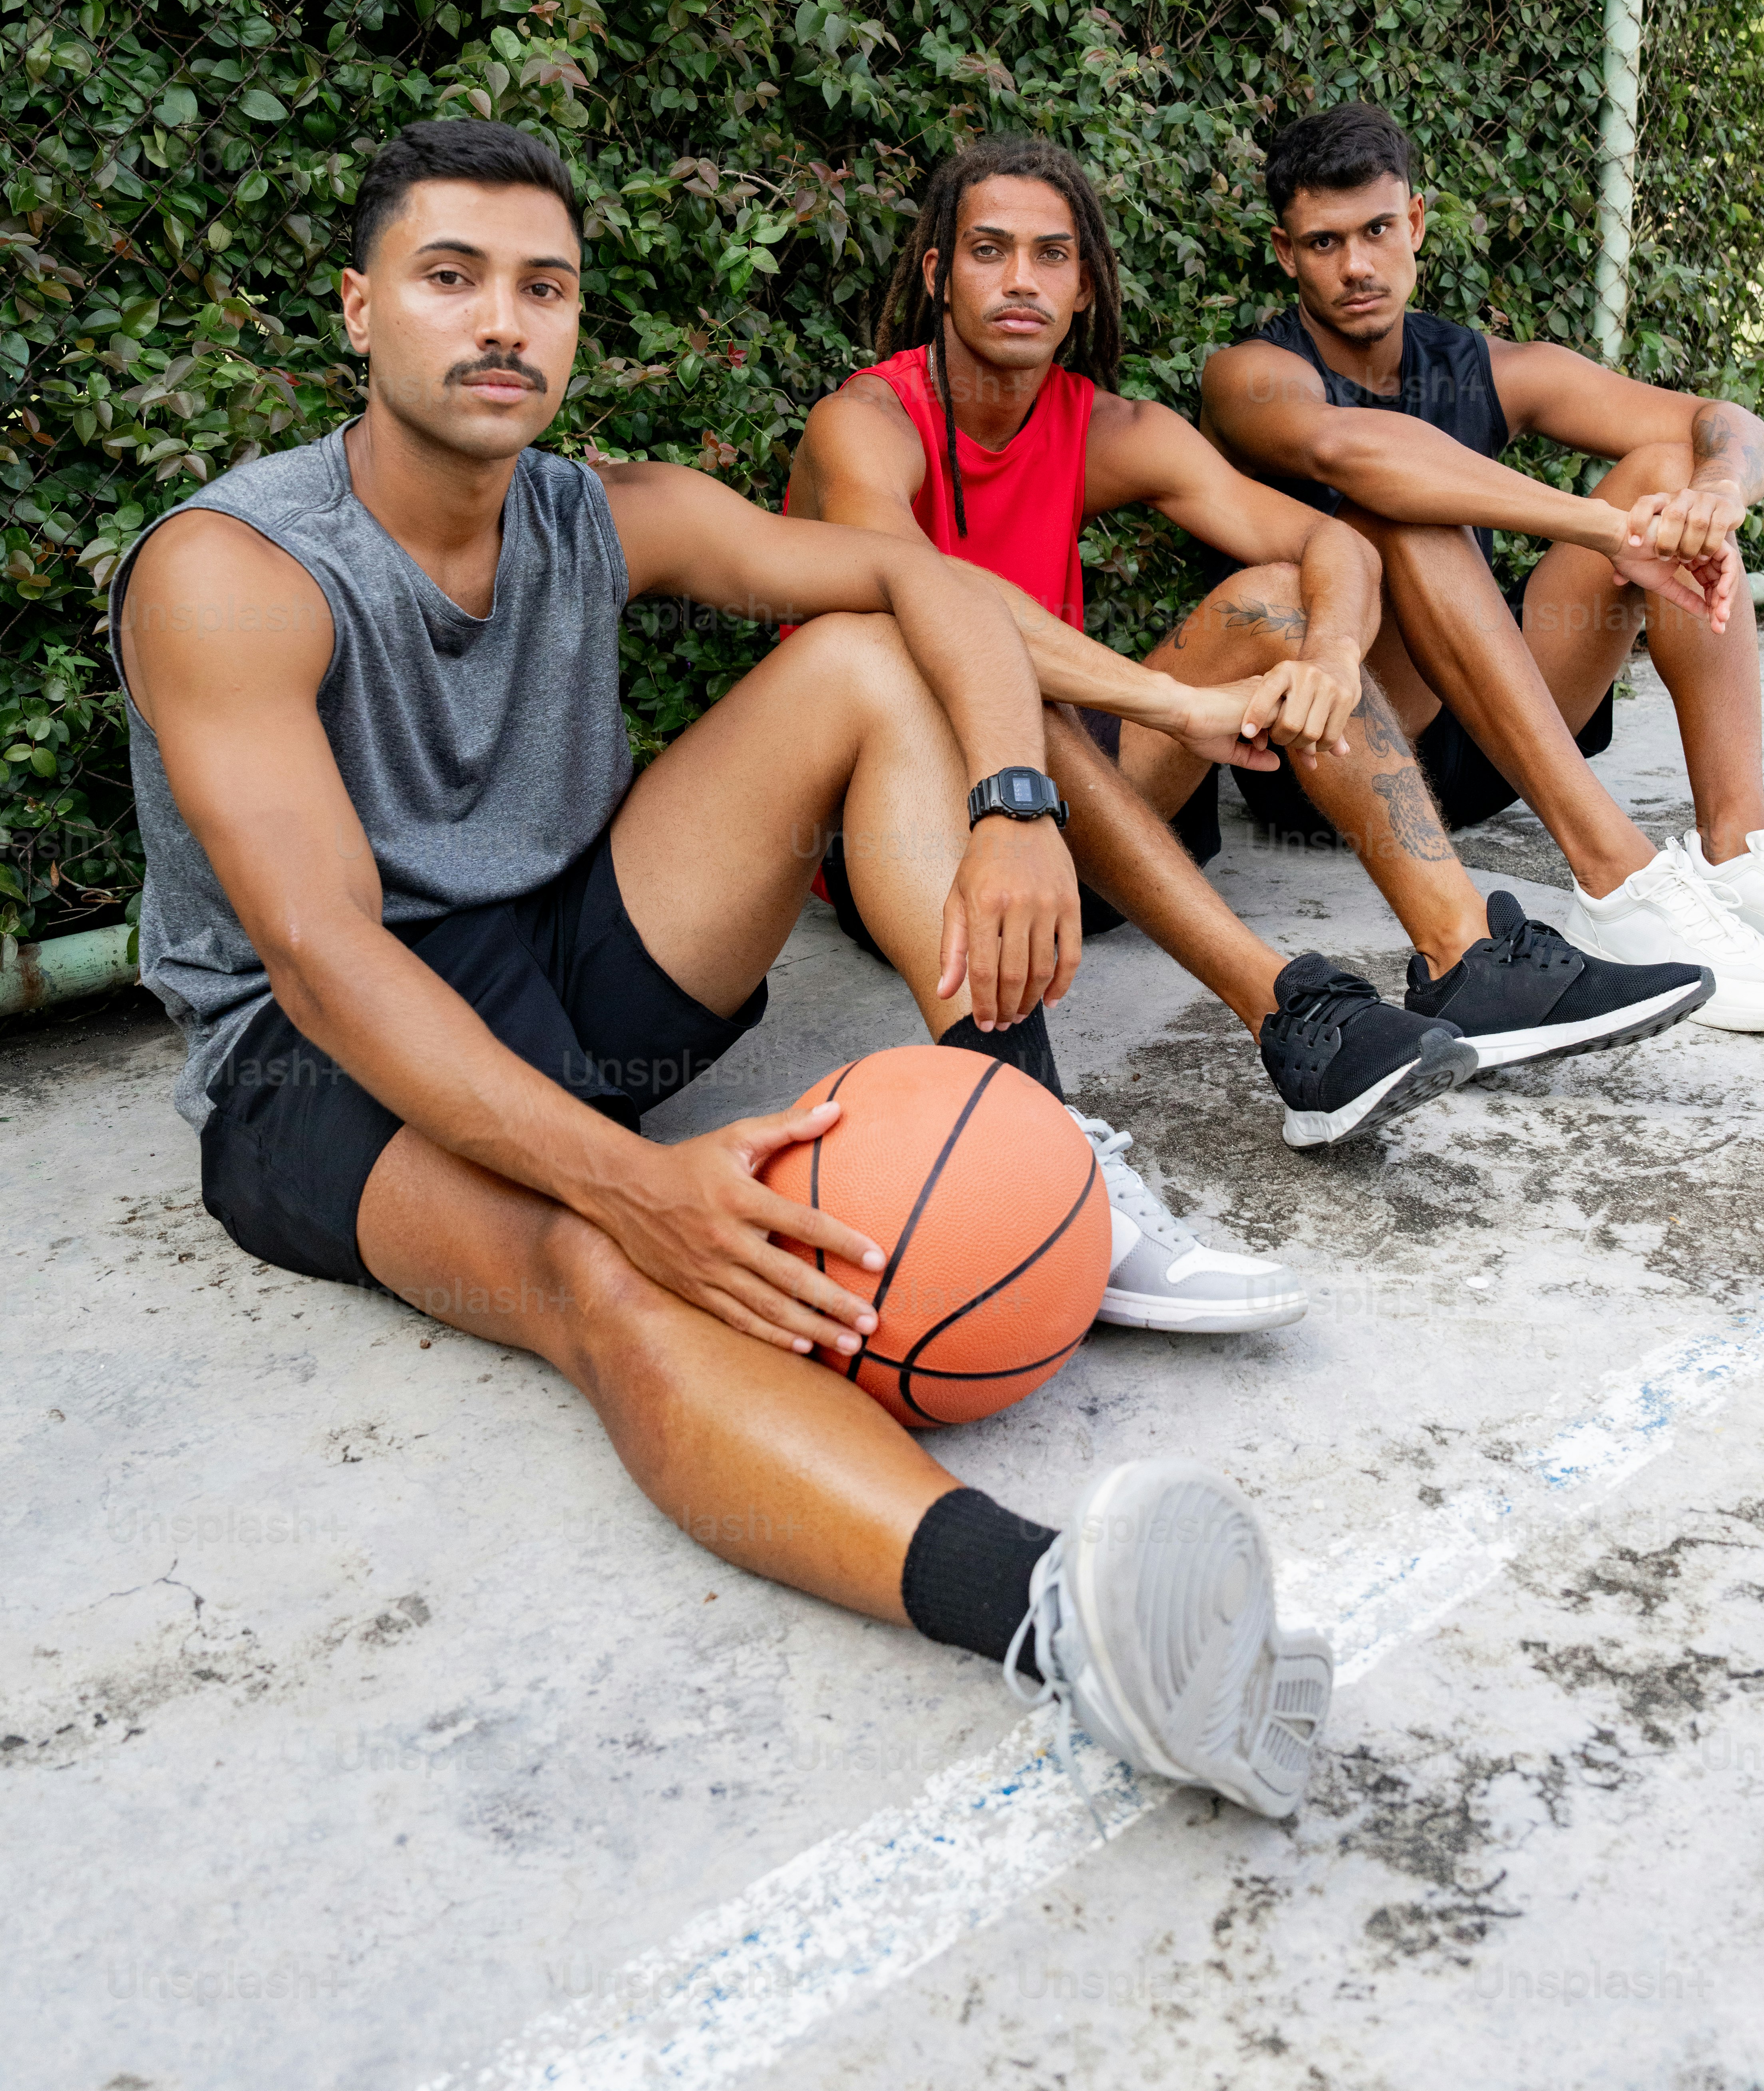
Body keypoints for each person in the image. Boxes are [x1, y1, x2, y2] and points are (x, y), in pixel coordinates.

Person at [109, 117, 1333, 1820]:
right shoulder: (235, 572)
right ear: (358, 310)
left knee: (854, 653)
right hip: (320, 1064)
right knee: (606, 1272)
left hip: (556, 965)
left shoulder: (604, 511)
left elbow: (919, 574)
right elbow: (319, 964)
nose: (502, 324)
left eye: (544, 287)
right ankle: (1061, 1613)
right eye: (450, 278)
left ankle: (1036, 1146)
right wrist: (637, 1186)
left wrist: (1016, 796)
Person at [788, 134, 1709, 1194]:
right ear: (937, 273)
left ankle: (1468, 959)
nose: (1019, 280)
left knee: (1276, 596)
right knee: (1003, 688)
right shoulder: (863, 425)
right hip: (919, 841)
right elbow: (938, 604)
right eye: (988, 251)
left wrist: (1323, 653)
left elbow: (1337, 547)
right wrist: (1174, 702)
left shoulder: (1105, 428)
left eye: (1050, 255)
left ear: (1083, 285)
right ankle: (1289, 1008)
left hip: (1086, 824)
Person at [1198, 100, 1764, 1027]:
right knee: (1404, 507)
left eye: (1378, 230)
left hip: (1498, 728)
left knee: (1665, 469)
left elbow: (1723, 422)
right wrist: (1605, 530)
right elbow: (1350, 453)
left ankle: (1739, 851)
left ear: (1416, 222)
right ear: (1286, 252)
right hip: (1338, 752)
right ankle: (1618, 885)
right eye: (1325, 242)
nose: (1359, 265)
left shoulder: (1486, 364)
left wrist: (1715, 495)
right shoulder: (1250, 375)